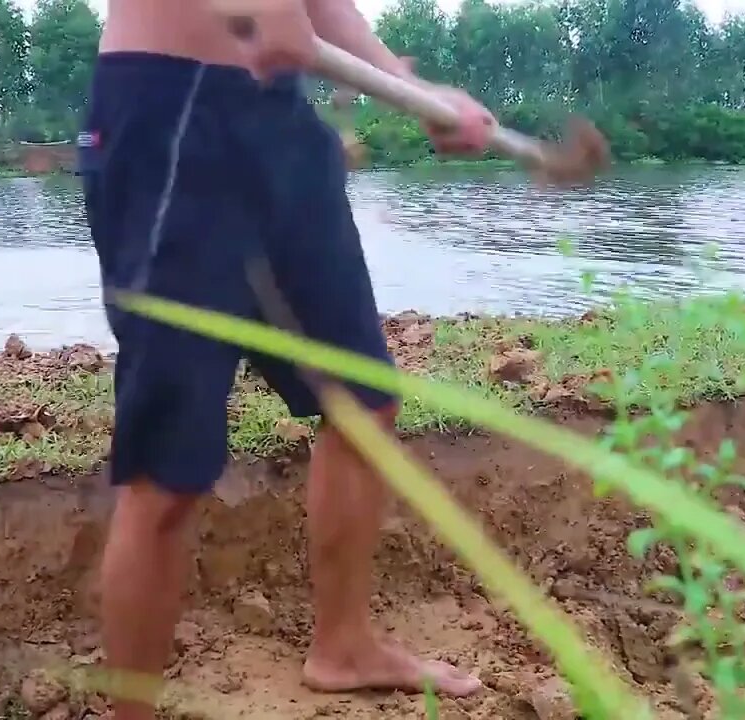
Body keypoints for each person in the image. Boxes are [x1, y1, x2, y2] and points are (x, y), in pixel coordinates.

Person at [76, 0, 496, 717]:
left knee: (362, 399)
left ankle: (345, 645)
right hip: (171, 112)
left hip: (278, 121)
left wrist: (404, 83)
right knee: (168, 468)